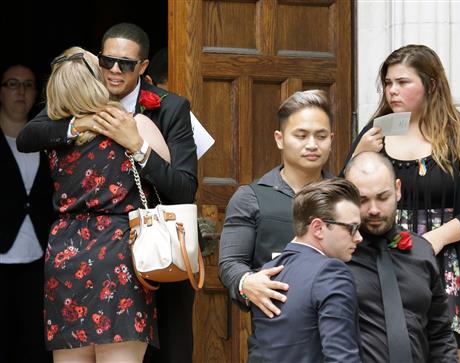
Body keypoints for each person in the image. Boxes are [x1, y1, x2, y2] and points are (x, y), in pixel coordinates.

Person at [16, 23, 198, 363]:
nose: (114, 70)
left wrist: (138, 147)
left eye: (125, 64)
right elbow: (29, 135)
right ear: (98, 63)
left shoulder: (167, 108)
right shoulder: (65, 119)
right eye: (107, 61)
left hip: (115, 249)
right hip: (116, 253)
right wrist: (82, 123)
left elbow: (183, 187)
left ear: (143, 68)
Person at [342, 44, 460, 360]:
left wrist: (434, 240)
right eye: (388, 83)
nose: (392, 91)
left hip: (446, 261)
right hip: (380, 259)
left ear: (430, 85)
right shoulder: (375, 133)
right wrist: (359, 153)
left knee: (445, 351)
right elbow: (342, 200)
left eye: (403, 82)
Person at [219, 89, 334, 360]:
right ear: (280, 139)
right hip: (275, 341)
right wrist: (247, 282)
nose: (312, 144)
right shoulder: (251, 198)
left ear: (332, 139)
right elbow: (230, 264)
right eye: (301, 135)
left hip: (337, 337)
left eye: (321, 136)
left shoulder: (344, 198)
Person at [344, 151, 458, 362]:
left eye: (382, 197)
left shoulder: (422, 253)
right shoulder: (335, 256)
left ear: (397, 190)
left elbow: (441, 334)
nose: (374, 209)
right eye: (362, 200)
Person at [251, 178, 363, 362]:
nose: (359, 237)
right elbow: (341, 357)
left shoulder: (268, 272)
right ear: (318, 228)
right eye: (352, 228)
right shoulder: (331, 273)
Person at [0, 63, 54, 363]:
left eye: (28, 84)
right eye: (12, 84)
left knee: (34, 343)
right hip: (1, 255)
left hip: (38, 257)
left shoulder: (45, 139)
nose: (20, 91)